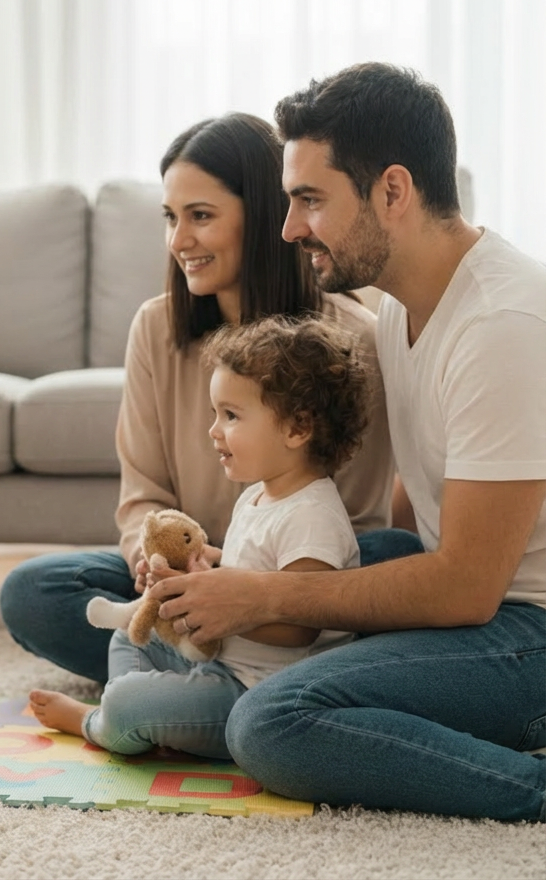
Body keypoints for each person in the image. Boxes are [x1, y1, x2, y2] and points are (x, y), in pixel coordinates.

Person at [149, 62, 546, 822]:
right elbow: (419, 505)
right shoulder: (403, 306)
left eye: (308, 200)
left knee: (270, 723)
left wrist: (261, 595)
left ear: (392, 191)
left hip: (526, 626)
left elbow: (466, 587)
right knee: (227, 615)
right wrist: (241, 576)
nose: (290, 227)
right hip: (485, 600)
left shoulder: (504, 325)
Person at [0, 112, 418, 686]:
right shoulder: (155, 328)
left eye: (200, 216)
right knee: (35, 591)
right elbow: (143, 497)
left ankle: (204, 685)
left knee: (393, 553)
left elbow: (359, 521)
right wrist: (162, 561)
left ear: (267, 216)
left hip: (295, 589)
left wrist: (249, 585)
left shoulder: (354, 340)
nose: (178, 241)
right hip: (186, 577)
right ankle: (221, 685)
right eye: (171, 218)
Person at [31, 316, 370, 758]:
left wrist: (210, 608)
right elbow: (247, 573)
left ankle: (102, 722)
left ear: (297, 428)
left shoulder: (314, 516)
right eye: (215, 414)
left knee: (127, 700)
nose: (213, 430)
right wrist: (199, 574)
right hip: (222, 662)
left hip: (256, 692)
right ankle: (152, 725)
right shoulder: (256, 497)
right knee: (132, 634)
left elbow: (298, 627)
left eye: (231, 415)